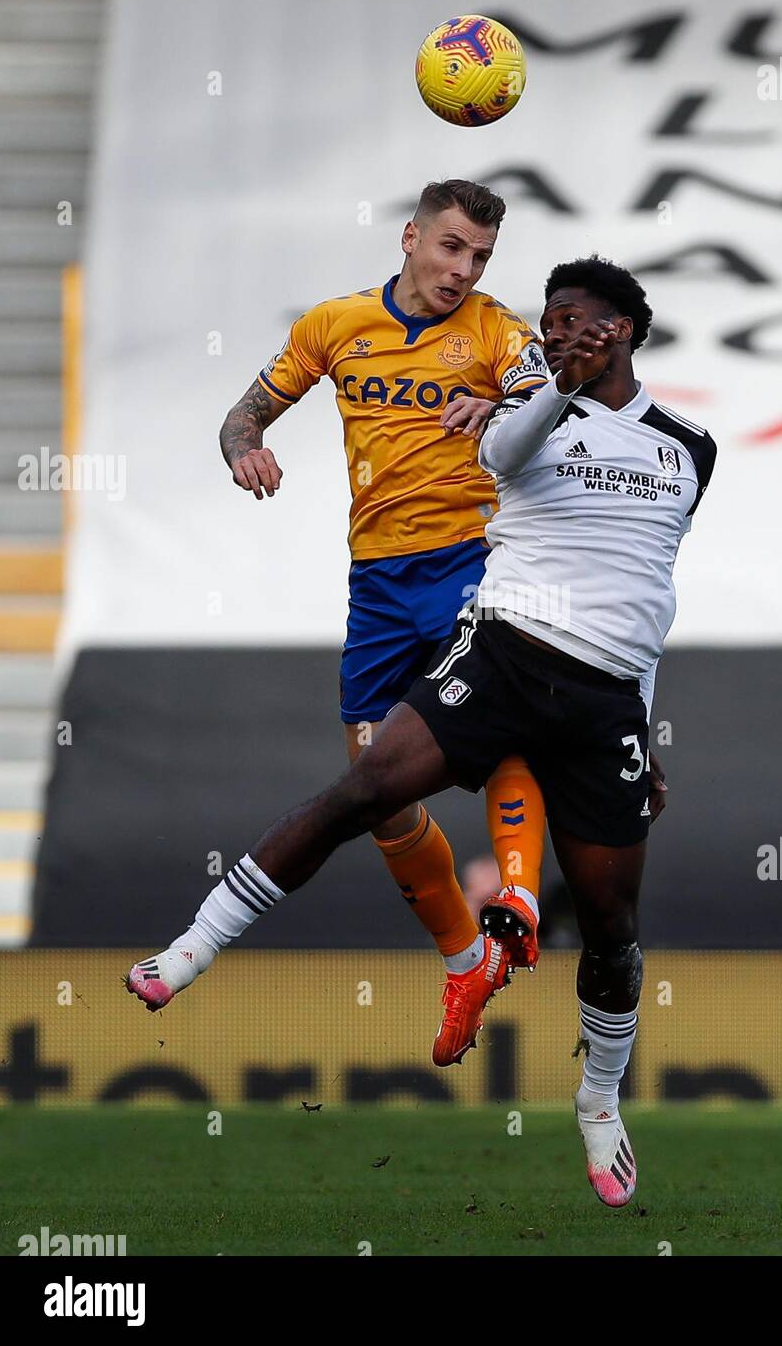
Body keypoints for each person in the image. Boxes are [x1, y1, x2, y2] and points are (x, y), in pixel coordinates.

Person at [127, 257, 716, 1206]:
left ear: (625, 332)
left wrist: (644, 731)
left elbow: (650, 595)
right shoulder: (527, 401)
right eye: (549, 317)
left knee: (611, 923)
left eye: (577, 320)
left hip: (608, 695)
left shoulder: (688, 447)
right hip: (506, 655)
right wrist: (551, 383)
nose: (556, 330)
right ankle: (192, 947)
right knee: (365, 787)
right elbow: (500, 459)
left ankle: (599, 1104)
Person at [126, 180, 551, 1066]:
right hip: (378, 586)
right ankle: (466, 959)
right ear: (409, 237)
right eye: (449, 248)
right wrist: (246, 446)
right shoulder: (333, 325)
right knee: (375, 789)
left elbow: (545, 394)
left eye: (478, 257)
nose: (461, 269)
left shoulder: (493, 327)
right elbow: (243, 411)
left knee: (504, 724)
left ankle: (517, 899)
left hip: (473, 561)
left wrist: (502, 406)